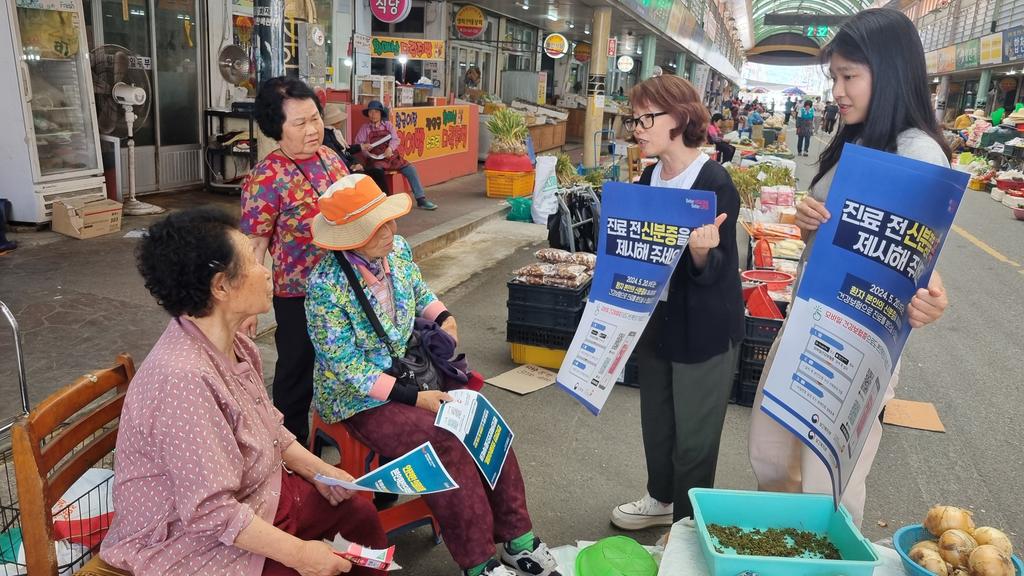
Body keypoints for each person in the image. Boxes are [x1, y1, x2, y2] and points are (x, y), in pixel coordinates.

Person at [748, 8, 951, 528]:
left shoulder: (917, 154)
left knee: (827, 475)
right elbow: (843, 233)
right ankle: (782, 545)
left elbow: (913, 258)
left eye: (849, 76)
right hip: (810, 321)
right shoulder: (857, 137)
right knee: (772, 452)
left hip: (856, 340)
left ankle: (826, 558)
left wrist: (927, 296)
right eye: (834, 76)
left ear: (890, 72)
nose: (838, 90)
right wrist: (809, 220)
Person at [100, 207, 387, 576]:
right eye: (253, 261)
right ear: (221, 286)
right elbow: (210, 512)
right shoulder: (182, 380)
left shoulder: (237, 344)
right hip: (192, 541)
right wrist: (300, 555)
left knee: (358, 514)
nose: (266, 271)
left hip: (261, 496)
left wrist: (318, 471)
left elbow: (270, 430)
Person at [304, 174, 562, 576]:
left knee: (481, 419)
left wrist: (442, 316)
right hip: (361, 396)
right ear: (348, 237)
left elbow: (419, 290)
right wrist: (413, 398)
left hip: (413, 368)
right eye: (378, 227)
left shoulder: (398, 249)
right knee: (442, 439)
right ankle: (478, 564)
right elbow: (346, 366)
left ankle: (519, 540)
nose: (392, 231)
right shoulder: (324, 285)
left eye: (390, 221)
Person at [609, 74, 743, 532]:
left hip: (704, 327)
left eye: (646, 117)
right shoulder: (650, 175)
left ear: (680, 117)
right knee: (658, 422)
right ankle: (660, 498)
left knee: (695, 438)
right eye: (634, 118)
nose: (637, 128)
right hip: (656, 318)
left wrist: (703, 252)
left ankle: (687, 527)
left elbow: (722, 267)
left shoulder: (713, 181)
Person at [241, 76, 350, 446]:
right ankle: (290, 450)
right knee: (295, 374)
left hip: (344, 286)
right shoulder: (266, 177)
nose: (313, 129)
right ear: (277, 128)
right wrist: (247, 305)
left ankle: (332, 432)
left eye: (315, 118)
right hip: (297, 296)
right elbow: (253, 245)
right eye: (300, 123)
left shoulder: (332, 158)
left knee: (342, 367)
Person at [354, 100, 438, 211]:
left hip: (392, 157)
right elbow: (358, 144)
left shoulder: (388, 125)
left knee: (411, 169)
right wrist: (366, 148)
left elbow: (395, 139)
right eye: (371, 112)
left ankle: (421, 199)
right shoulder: (365, 128)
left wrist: (390, 148)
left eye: (376, 112)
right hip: (376, 159)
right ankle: (385, 201)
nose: (373, 115)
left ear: (381, 113)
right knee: (376, 171)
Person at [322, 103, 391, 195]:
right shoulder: (327, 136)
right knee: (373, 174)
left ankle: (383, 199)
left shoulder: (334, 133)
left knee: (377, 172)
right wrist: (352, 165)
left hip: (349, 164)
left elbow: (346, 149)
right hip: (343, 169)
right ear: (334, 121)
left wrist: (361, 147)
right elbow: (336, 155)